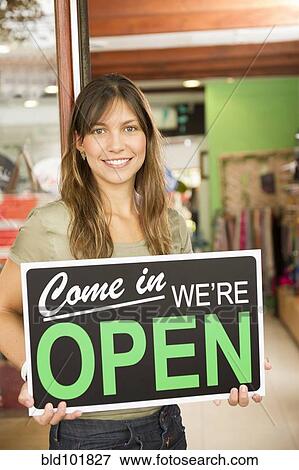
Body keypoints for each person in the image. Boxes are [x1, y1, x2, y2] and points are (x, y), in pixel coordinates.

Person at [0, 74, 270, 450]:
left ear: (146, 137)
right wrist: (38, 372)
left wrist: (238, 363)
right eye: (99, 130)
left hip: (167, 426)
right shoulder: (49, 225)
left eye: (129, 128)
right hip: (88, 436)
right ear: (79, 142)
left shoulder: (172, 224)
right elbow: (2, 311)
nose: (115, 145)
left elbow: (193, 319)